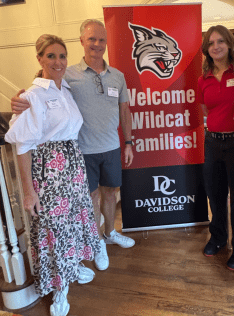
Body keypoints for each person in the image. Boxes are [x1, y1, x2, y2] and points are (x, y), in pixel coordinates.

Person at [11, 19, 136, 272]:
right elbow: (42, 86)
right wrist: (19, 101)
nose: (97, 44)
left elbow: (125, 109)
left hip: (111, 145)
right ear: (82, 41)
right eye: (92, 39)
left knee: (111, 192)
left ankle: (110, 232)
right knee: (89, 197)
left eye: (101, 39)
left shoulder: (118, 76)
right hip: (81, 151)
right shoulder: (67, 72)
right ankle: (97, 240)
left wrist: (128, 142)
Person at [5, 34, 101, 316]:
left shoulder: (66, 90)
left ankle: (72, 269)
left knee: (72, 223)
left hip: (72, 166)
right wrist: (28, 190)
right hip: (49, 171)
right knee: (54, 230)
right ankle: (60, 289)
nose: (57, 61)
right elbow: (22, 145)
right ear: (39, 59)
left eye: (62, 56)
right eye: (51, 56)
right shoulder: (32, 96)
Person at [197, 25, 234, 270]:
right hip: (212, 141)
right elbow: (205, 109)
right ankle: (218, 238)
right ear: (206, 49)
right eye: (210, 43)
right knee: (215, 194)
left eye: (220, 41)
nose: (215, 46)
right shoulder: (203, 78)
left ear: (230, 44)